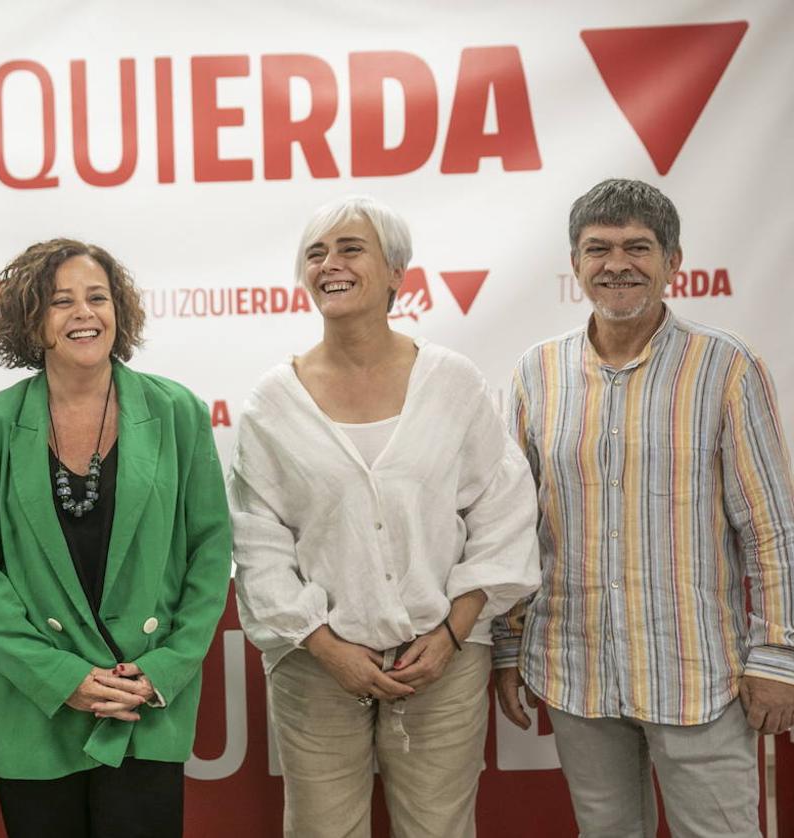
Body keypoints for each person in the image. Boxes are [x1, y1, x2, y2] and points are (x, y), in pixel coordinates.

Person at [228, 195, 540, 838]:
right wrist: (324, 645)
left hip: (444, 660)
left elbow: (503, 509)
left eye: (350, 249)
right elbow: (257, 542)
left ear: (397, 271)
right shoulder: (271, 402)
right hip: (316, 664)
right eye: (316, 253)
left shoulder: (452, 383)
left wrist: (454, 632)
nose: (330, 265)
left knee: (438, 828)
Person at [494, 178, 794, 837]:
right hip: (578, 672)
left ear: (673, 262)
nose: (617, 264)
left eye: (639, 247)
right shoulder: (534, 375)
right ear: (575, 265)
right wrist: (506, 646)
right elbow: (510, 530)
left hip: (698, 676)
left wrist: (777, 657)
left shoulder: (726, 368)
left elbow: (771, 530)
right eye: (598, 248)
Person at [0, 238, 232, 838]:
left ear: (119, 311)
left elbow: (210, 549)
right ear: (32, 321)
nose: (84, 313)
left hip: (144, 702)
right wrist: (60, 678)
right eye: (61, 301)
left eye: (97, 298)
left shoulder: (179, 411)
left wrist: (164, 670)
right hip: (35, 707)